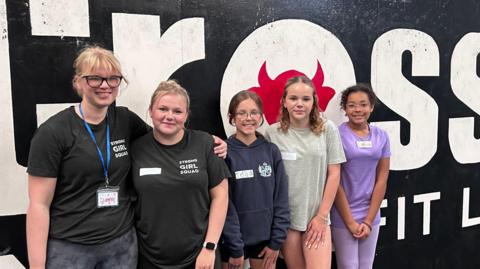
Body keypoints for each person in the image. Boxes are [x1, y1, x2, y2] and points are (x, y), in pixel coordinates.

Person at [26, 46, 226, 269]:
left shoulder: (124, 120)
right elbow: (38, 205)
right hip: (72, 248)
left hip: (121, 245)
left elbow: (166, 135)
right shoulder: (53, 132)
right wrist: (36, 266)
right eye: (95, 78)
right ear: (79, 82)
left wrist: (210, 142)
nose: (105, 85)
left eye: (113, 79)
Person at [131, 80, 230, 269]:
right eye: (163, 109)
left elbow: (221, 196)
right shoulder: (136, 149)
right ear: (151, 111)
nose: (169, 116)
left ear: (186, 115)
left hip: (200, 255)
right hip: (149, 258)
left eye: (177, 111)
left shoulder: (206, 144)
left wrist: (209, 247)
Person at [264, 76, 346, 269]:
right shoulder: (272, 133)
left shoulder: (327, 130)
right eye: (293, 98)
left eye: (305, 99)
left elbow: (334, 174)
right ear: (284, 101)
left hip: (316, 219)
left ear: (314, 102)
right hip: (287, 221)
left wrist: (321, 216)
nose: (299, 104)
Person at [220, 91, 290, 269]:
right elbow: (223, 204)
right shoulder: (224, 153)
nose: (248, 118)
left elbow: (281, 198)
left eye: (254, 112)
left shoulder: (271, 151)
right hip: (231, 241)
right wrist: (235, 246)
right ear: (231, 117)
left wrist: (276, 241)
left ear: (261, 116)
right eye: (241, 113)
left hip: (265, 242)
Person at [330, 83, 391, 269]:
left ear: (371, 107)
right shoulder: (336, 136)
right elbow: (335, 181)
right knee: (348, 266)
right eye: (352, 105)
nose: (358, 109)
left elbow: (382, 179)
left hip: (371, 214)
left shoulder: (382, 136)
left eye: (363, 104)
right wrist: (350, 222)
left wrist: (368, 220)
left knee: (366, 266)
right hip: (343, 214)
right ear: (345, 109)